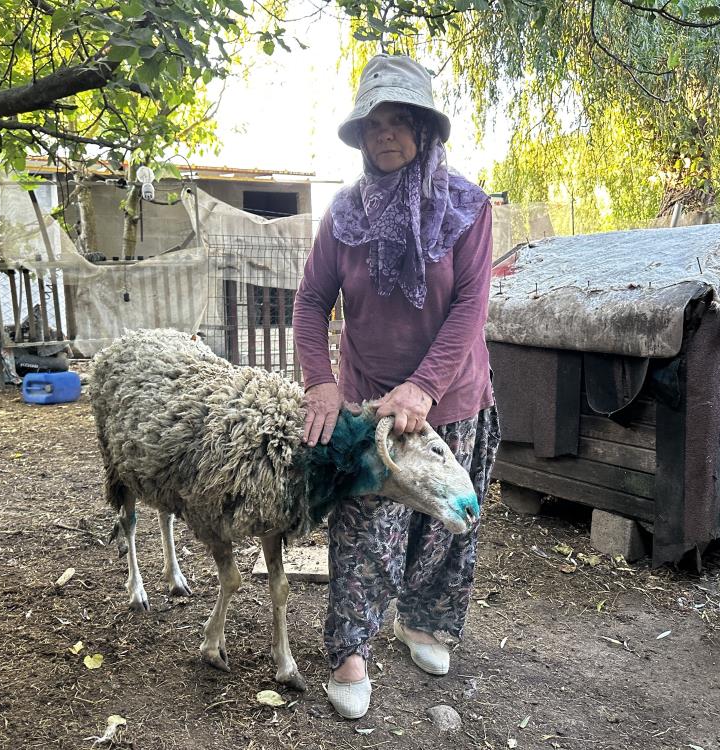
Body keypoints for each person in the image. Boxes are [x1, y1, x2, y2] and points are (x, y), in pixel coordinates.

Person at [292, 54, 500, 720]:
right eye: (374, 123)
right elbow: (310, 300)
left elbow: (471, 304)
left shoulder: (466, 208)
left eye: (401, 121)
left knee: (443, 521)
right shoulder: (344, 213)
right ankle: (352, 650)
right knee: (361, 525)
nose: (387, 135)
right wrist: (320, 383)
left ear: (425, 130)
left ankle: (424, 622)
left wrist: (424, 388)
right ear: (361, 135)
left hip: (451, 395)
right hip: (366, 400)